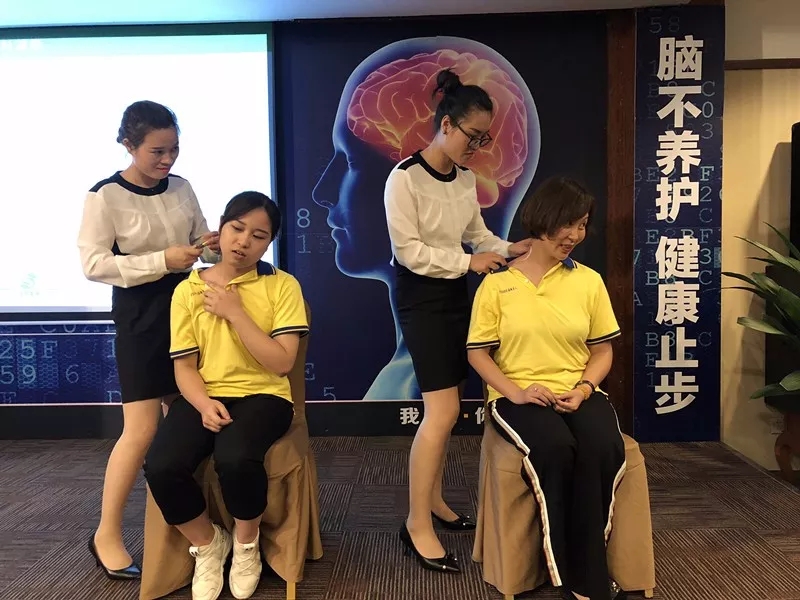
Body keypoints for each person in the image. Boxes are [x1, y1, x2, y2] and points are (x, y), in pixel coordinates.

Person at [384, 68, 533, 573]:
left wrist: (509, 248)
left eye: (485, 138)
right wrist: (469, 262)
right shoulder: (404, 178)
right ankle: (415, 524)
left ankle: (434, 500)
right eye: (473, 136)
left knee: (448, 410)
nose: (478, 147)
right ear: (446, 124)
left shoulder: (465, 179)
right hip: (421, 297)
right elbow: (409, 252)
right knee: (442, 410)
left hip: (454, 294)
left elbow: (477, 234)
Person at [78, 100, 219, 580]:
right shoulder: (104, 196)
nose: (168, 159)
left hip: (187, 309)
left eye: (174, 148)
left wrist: (211, 244)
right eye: (157, 151)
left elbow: (197, 241)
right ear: (128, 144)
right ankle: (106, 534)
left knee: (185, 424)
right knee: (141, 431)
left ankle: (183, 528)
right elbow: (94, 265)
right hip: (140, 314)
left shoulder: (182, 186)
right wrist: (161, 260)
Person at [466, 176, 626, 600]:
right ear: (542, 221)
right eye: (567, 224)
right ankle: (573, 574)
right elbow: (478, 354)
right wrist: (516, 392)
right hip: (517, 395)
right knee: (555, 449)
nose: (574, 235)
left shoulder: (588, 281)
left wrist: (586, 388)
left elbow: (602, 351)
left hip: (577, 390)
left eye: (582, 225)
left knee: (602, 446)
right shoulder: (497, 284)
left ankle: (588, 572)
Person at [143, 191, 307, 600]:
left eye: (258, 236)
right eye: (237, 228)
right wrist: (202, 404)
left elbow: (282, 363)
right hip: (204, 393)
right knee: (161, 465)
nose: (243, 241)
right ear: (221, 228)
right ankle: (208, 543)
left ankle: (246, 543)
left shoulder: (282, 285)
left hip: (265, 395)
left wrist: (235, 312)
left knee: (235, 458)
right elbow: (184, 367)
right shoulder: (188, 291)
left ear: (269, 243)